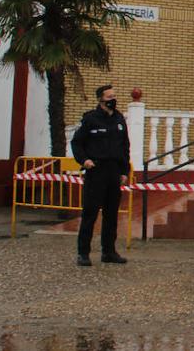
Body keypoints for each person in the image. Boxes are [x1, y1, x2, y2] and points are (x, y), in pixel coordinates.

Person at [70, 84, 131, 266]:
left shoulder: (119, 119)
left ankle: (109, 252)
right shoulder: (90, 119)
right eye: (109, 96)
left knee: (111, 215)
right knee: (90, 213)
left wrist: (124, 171)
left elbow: (125, 147)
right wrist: (84, 160)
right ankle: (83, 253)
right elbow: (77, 143)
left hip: (114, 172)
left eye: (114, 96)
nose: (113, 99)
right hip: (96, 171)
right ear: (101, 99)